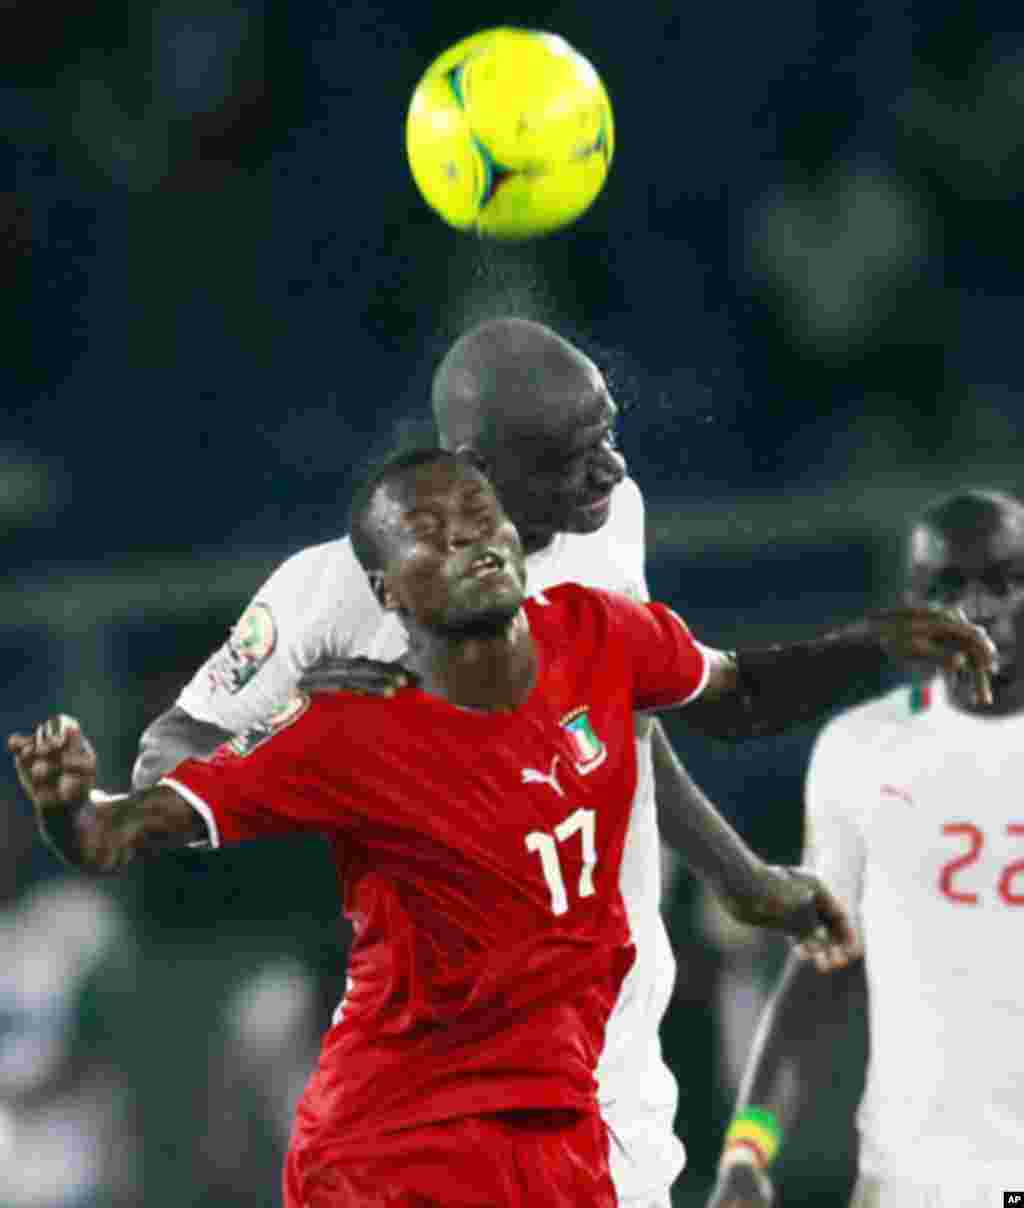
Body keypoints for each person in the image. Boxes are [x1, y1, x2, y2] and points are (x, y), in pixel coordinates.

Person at [126, 318, 996, 1208]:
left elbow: (627, 712)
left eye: (609, 436)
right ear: (476, 459)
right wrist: (305, 721)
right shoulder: (337, 590)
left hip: (612, 1023)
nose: (611, 471)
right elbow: (168, 760)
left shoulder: (612, 522)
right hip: (448, 1065)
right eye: (571, 457)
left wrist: (737, 875)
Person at [12, 448, 866, 1208]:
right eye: (431, 532)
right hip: (401, 1142)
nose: (470, 539)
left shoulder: (600, 635)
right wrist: (67, 807)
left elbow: (739, 699)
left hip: (561, 1124)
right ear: (386, 591)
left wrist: (881, 641)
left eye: (479, 517)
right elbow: (110, 835)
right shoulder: (345, 722)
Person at [706, 487, 1024, 1208]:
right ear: (912, 604)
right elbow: (823, 971)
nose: (977, 609)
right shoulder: (862, 751)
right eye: (948, 587)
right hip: (913, 1179)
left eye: (1005, 580)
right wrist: (746, 1153)